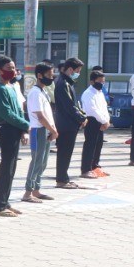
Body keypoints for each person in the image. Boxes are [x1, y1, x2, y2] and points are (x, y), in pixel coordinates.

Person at [0, 55, 29, 217]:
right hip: (6, 130)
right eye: (9, 69)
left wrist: (22, 131)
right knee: (6, 168)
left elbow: (19, 111)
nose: (13, 71)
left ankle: (5, 201)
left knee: (11, 169)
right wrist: (26, 125)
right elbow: (7, 114)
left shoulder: (11, 87)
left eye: (13, 68)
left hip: (15, 129)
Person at [23, 62, 58, 204]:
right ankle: (27, 192)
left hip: (46, 131)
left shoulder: (43, 92)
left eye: (52, 75)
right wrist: (53, 130)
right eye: (49, 75)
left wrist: (51, 130)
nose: (51, 78)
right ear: (39, 75)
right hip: (38, 131)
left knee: (43, 163)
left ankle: (36, 190)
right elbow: (40, 116)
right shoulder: (35, 93)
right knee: (36, 162)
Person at [52, 57, 87, 188]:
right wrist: (82, 118)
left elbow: (75, 104)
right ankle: (61, 180)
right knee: (64, 152)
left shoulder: (68, 82)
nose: (78, 73)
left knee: (67, 152)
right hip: (65, 124)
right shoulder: (63, 83)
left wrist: (82, 115)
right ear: (70, 69)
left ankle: (64, 177)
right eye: (77, 70)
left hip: (69, 123)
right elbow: (69, 105)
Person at [80, 67, 111, 180]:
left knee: (98, 145)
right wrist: (103, 121)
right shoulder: (88, 93)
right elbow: (92, 110)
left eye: (103, 81)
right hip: (92, 121)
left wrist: (106, 121)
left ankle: (95, 167)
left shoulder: (100, 92)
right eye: (99, 81)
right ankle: (86, 169)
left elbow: (103, 107)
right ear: (92, 81)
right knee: (90, 145)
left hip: (101, 122)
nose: (102, 84)